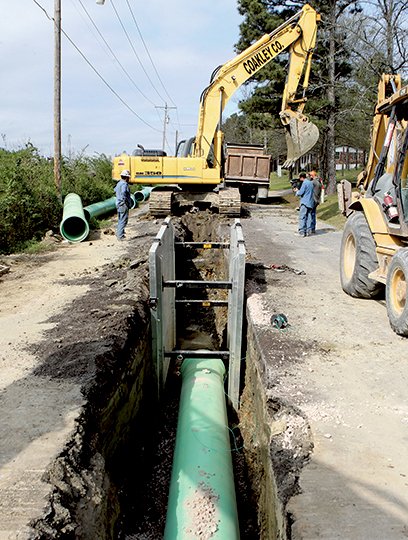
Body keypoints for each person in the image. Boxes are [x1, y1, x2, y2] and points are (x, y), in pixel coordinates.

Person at [114, 169, 133, 240]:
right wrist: (126, 202)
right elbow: (124, 193)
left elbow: (115, 190)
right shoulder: (124, 184)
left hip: (118, 204)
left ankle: (119, 233)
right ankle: (120, 236)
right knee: (123, 220)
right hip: (123, 204)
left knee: (120, 219)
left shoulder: (118, 183)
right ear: (127, 177)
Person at [309, 170, 323, 234]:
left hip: (313, 199)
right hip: (317, 199)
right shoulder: (319, 181)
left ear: (312, 176)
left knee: (310, 214)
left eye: (310, 175)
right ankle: (313, 228)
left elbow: (308, 186)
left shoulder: (314, 182)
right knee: (313, 214)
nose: (309, 177)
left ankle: (311, 228)